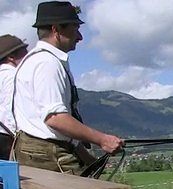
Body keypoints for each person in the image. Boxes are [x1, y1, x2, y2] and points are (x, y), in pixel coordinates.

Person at [12, 1, 124, 175]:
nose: (80, 37)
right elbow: (55, 119)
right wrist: (102, 139)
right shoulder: (47, 63)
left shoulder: (36, 60)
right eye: (75, 28)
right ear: (56, 30)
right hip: (48, 156)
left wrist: (85, 156)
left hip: (36, 152)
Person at [0, 35, 28, 160]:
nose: (28, 55)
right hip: (6, 138)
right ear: (11, 57)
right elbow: (10, 111)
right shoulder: (14, 76)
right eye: (24, 52)